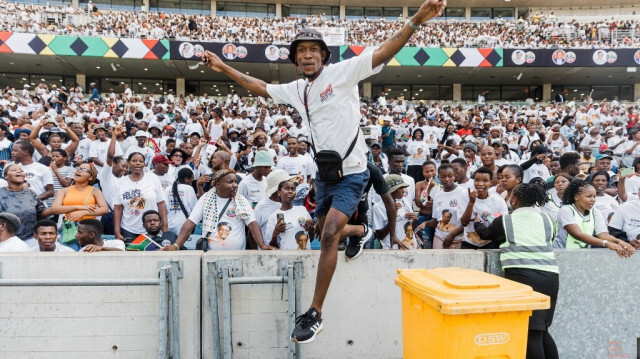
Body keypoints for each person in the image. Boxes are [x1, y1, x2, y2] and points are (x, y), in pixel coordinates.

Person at [201, 0, 447, 343]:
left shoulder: (342, 73)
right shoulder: (298, 89)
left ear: (323, 55)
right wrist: (224, 67)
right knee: (321, 230)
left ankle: (314, 313)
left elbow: (383, 52)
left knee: (330, 233)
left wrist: (417, 20)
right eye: (301, 50)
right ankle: (361, 231)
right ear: (295, 58)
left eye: (313, 49)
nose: (306, 55)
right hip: (324, 174)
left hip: (354, 170)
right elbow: (257, 85)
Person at [474, 183, 560, 359]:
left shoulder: (505, 221)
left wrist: (477, 224)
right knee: (542, 329)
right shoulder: (547, 219)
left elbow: (486, 234)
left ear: (513, 199)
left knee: (530, 332)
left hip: (523, 276)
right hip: (550, 276)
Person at [167, 169, 275, 251]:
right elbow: (190, 223)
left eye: (236, 182)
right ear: (218, 184)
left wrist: (262, 245)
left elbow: (252, 224)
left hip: (237, 257)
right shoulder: (205, 199)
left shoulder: (241, 200)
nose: (235, 185)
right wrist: (176, 246)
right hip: (211, 258)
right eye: (230, 182)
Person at [553, 179, 635, 257]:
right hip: (561, 254)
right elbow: (578, 235)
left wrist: (619, 242)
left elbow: (603, 234)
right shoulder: (566, 210)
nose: (593, 200)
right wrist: (607, 243)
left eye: (594, 197)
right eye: (589, 196)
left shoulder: (595, 212)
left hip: (581, 255)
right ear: (576, 197)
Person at [50, 162, 109, 250]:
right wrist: (78, 207)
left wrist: (84, 212)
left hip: (89, 230)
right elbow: (55, 209)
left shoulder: (95, 191)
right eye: (78, 169)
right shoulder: (64, 191)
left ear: (90, 177)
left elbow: (105, 209)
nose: (79, 171)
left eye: (84, 170)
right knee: (70, 254)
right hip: (69, 228)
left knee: (89, 254)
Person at [113, 152, 169, 244]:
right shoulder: (121, 182)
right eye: (134, 161)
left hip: (151, 229)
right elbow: (118, 209)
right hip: (128, 228)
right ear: (128, 163)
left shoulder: (153, 178)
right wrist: (117, 232)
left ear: (144, 164)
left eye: (141, 161)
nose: (138, 163)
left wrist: (165, 226)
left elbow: (161, 204)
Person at [459, 167, 509, 249]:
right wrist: (471, 202)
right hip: (469, 243)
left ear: (491, 183)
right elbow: (464, 223)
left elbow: (502, 224)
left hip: (490, 243)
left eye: (485, 181)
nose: (480, 184)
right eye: (477, 180)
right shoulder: (465, 196)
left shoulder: (498, 201)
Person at [0, 164, 48, 245]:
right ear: (6, 176)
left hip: (31, 239)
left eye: (21, 170)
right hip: (6, 241)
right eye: (14, 170)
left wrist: (57, 209)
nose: (19, 171)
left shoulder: (30, 193)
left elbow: (41, 213)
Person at [265, 179, 313, 250]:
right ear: (279, 193)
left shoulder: (302, 210)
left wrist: (311, 228)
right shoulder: (274, 217)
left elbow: (310, 239)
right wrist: (275, 234)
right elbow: (272, 247)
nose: (290, 191)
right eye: (286, 188)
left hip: (306, 256)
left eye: (293, 189)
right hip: (287, 258)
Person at [98, 125, 128, 235]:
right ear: (114, 164)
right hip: (110, 216)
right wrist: (114, 136)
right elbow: (110, 156)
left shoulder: (125, 179)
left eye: (126, 167)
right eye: (123, 166)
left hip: (124, 215)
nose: (124, 169)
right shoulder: (107, 176)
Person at [372, 174, 415, 249]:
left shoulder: (404, 201)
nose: (404, 190)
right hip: (392, 248)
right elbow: (380, 236)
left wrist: (414, 219)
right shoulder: (378, 207)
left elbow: (410, 225)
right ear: (392, 190)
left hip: (409, 246)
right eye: (401, 188)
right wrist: (393, 215)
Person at [165, 168, 198, 235]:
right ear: (186, 179)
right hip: (184, 226)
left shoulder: (168, 189)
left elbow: (164, 207)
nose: (191, 184)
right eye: (191, 181)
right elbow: (194, 208)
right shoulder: (189, 189)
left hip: (169, 224)